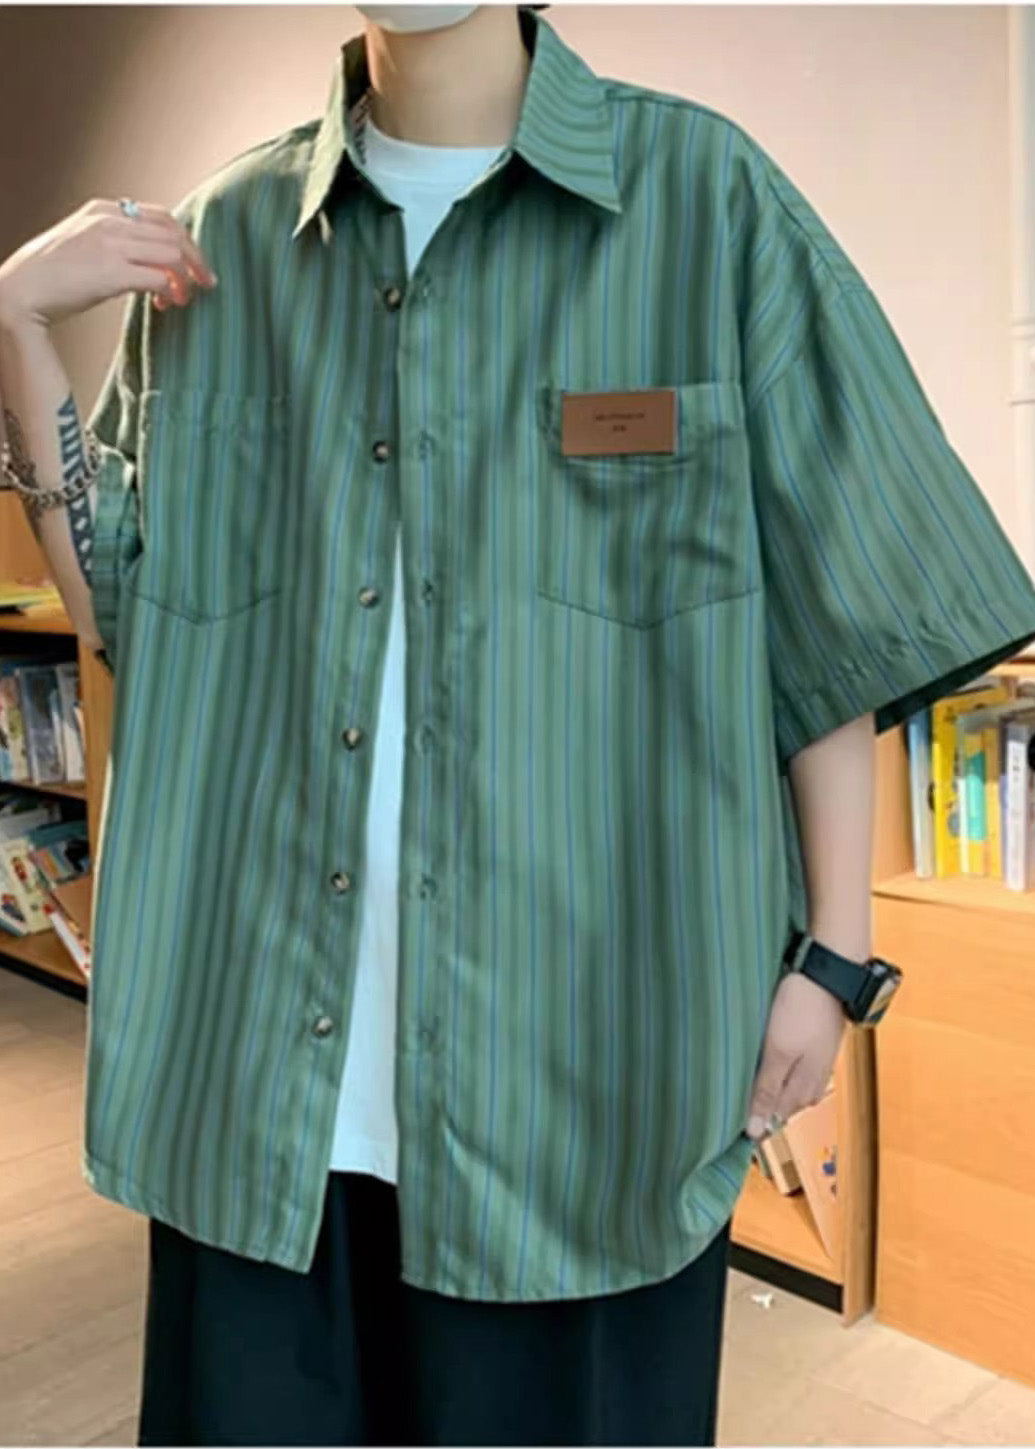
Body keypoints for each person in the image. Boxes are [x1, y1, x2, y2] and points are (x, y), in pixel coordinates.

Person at [2, 4, 1035, 1444]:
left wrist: (834, 952)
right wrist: (17, 328)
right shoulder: (226, 239)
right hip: (265, 1071)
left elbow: (834, 600)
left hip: (584, 1067)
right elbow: (131, 612)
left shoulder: (703, 203)